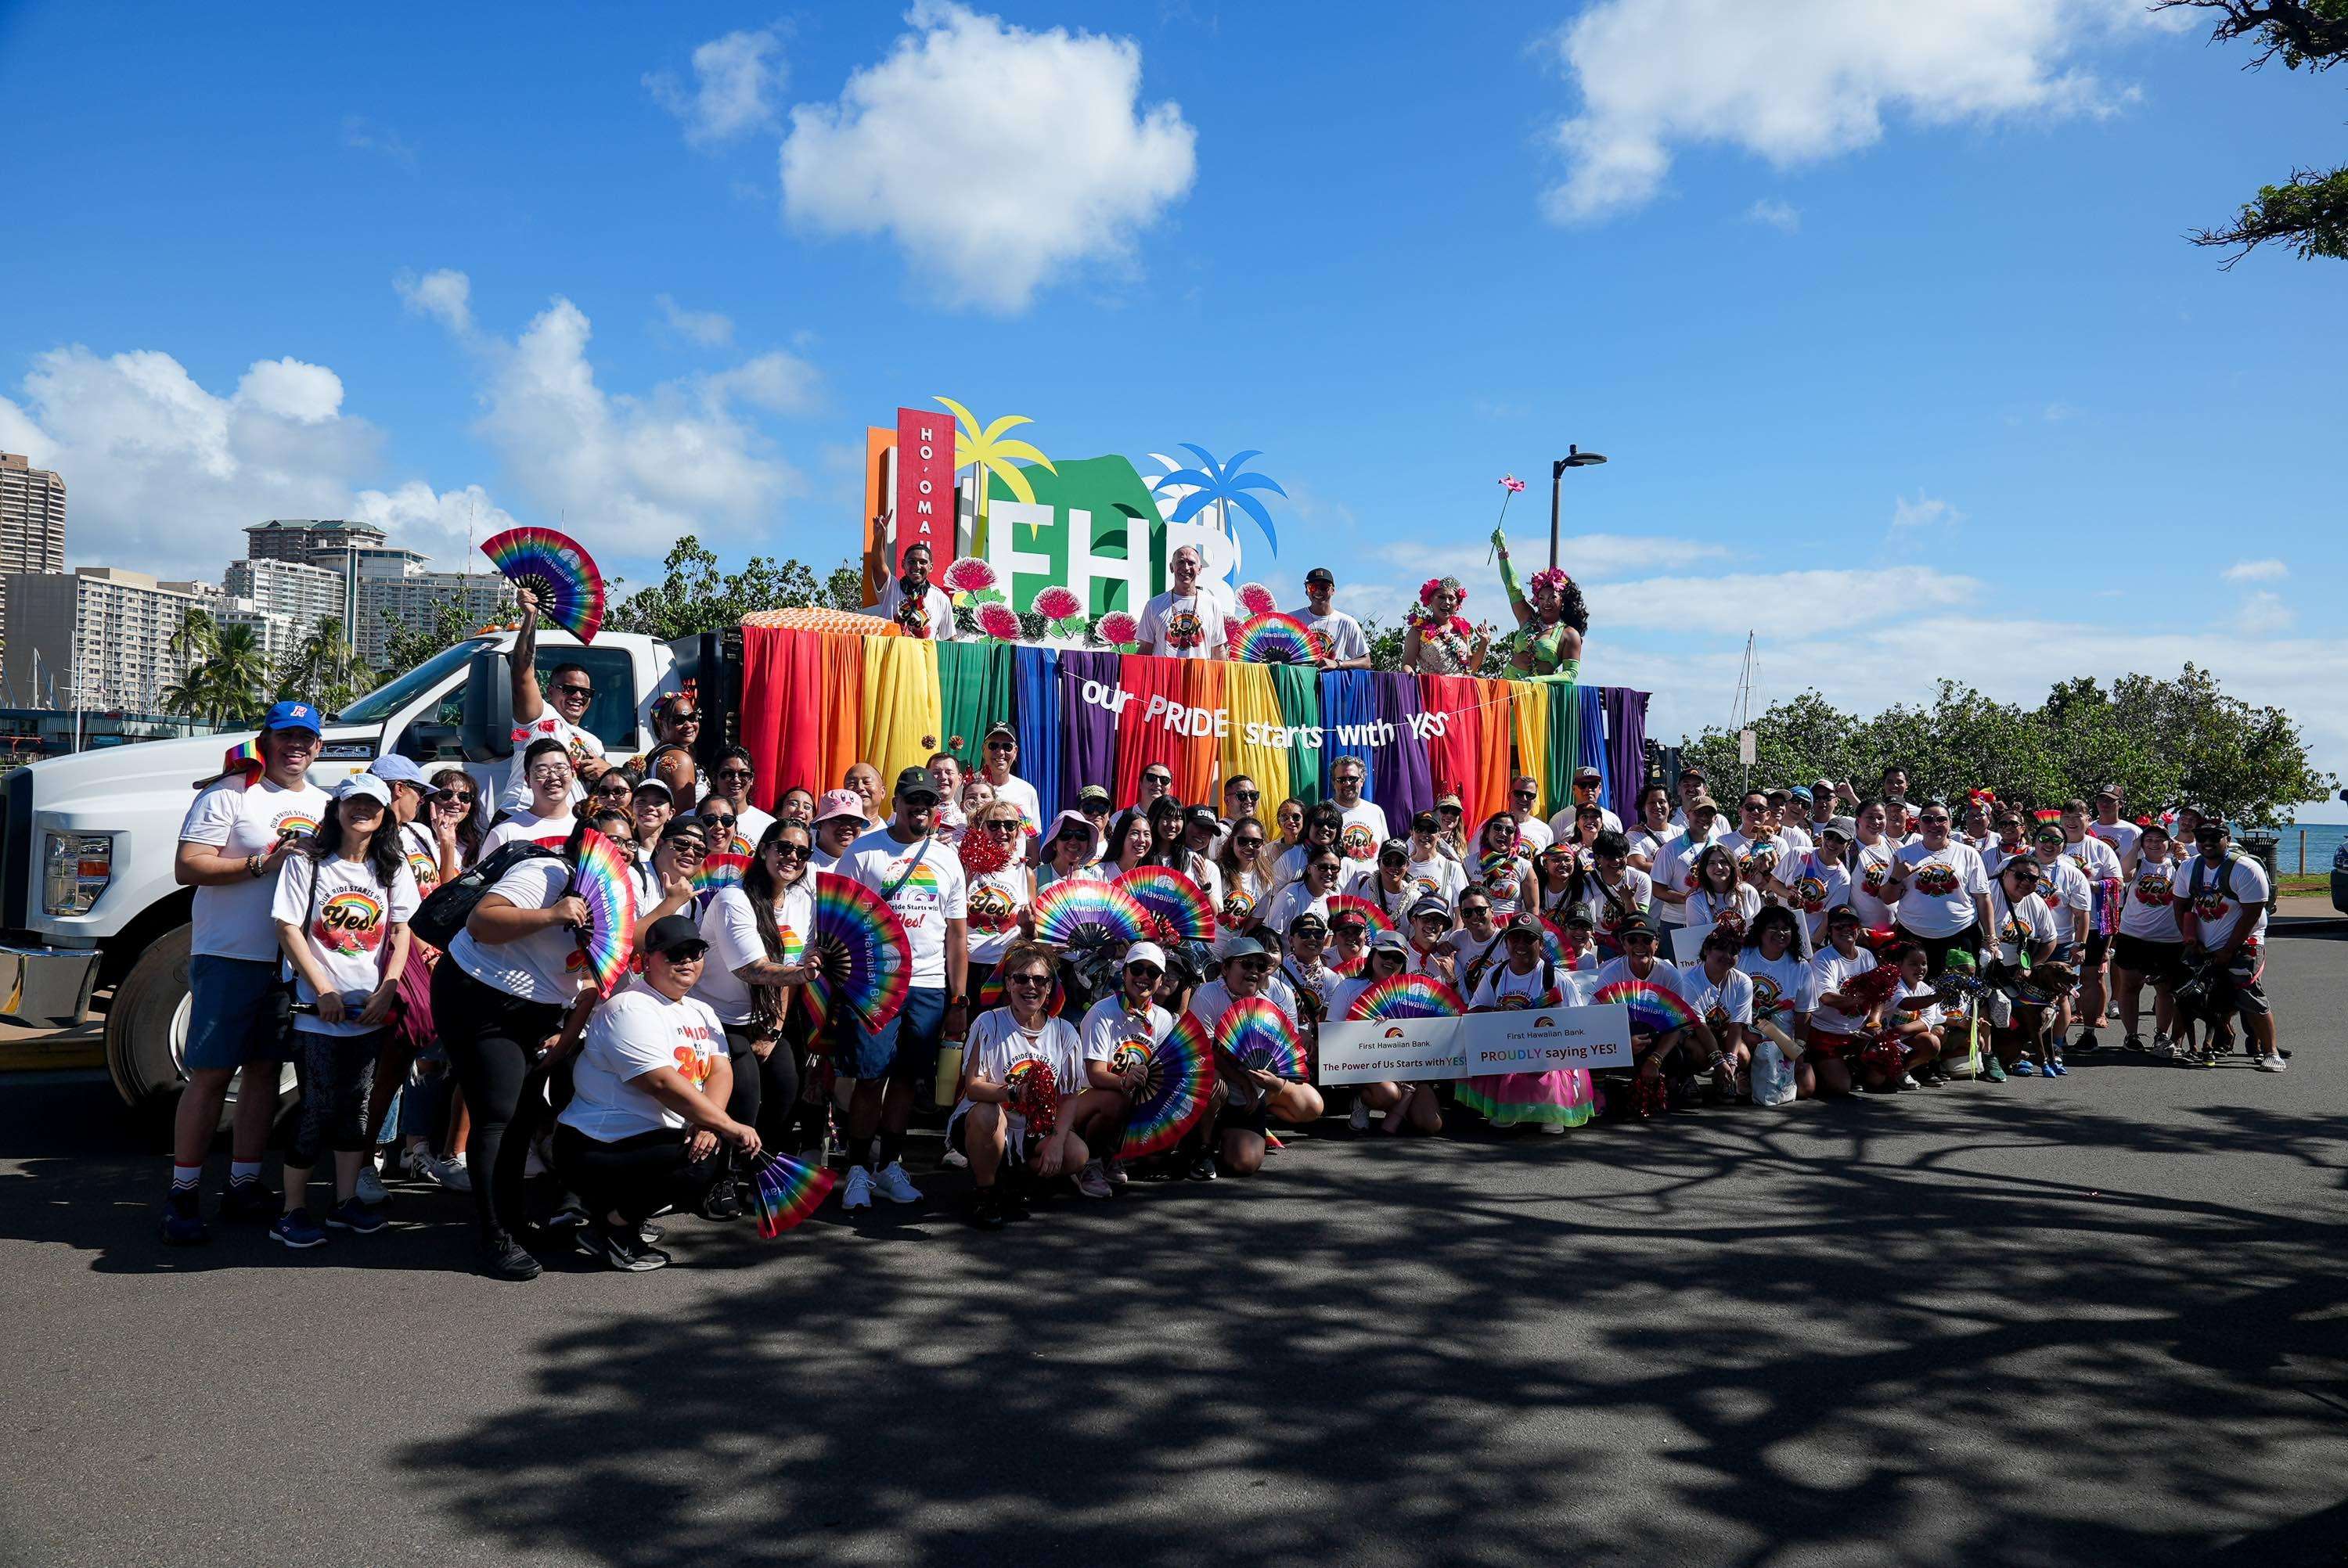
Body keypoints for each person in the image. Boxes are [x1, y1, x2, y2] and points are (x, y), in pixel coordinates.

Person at [160, 701, 333, 1245]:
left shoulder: (325, 804)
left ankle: (243, 1184)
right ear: (266, 740)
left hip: (289, 962)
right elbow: (188, 865)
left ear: (318, 747)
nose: (295, 746)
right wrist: (262, 863)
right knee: (211, 1075)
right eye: (285, 736)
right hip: (229, 955)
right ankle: (183, 1193)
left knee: (264, 1072)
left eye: (305, 738)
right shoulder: (230, 793)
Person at [434, 807, 600, 1279]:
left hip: (535, 1007)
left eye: (627, 843)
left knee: (524, 1114)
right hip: (479, 993)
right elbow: (482, 922)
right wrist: (552, 915)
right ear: (586, 847)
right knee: (497, 1114)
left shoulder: (610, 891)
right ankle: (493, 1237)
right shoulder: (546, 871)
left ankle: (512, 1221)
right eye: (610, 842)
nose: (621, 851)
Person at [264, 773, 419, 1247]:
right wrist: (324, 989)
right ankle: (290, 1211)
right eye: (353, 803)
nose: (362, 811)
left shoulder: (391, 866)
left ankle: (344, 1202)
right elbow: (287, 928)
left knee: (357, 1108)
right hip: (317, 1012)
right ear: (336, 810)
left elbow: (401, 931)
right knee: (316, 1108)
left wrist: (388, 988)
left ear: (385, 814)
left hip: (367, 1010)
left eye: (372, 804)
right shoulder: (308, 861)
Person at [553, 915, 758, 1271]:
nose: (687, 961)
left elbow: (720, 1070)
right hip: (597, 1144)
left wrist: (709, 1123)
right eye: (675, 953)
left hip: (648, 1138)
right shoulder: (629, 1007)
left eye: (695, 952)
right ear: (647, 960)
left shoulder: (702, 1011)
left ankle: (618, 1214)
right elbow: (659, 1082)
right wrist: (725, 1125)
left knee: (705, 1146)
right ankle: (610, 1229)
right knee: (699, 1161)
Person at [836, 768, 970, 1208]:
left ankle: (891, 1165)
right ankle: (858, 1169)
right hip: (876, 983)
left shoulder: (947, 858)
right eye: (913, 800)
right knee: (870, 1077)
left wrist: (958, 998)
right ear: (896, 803)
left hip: (929, 985)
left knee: (908, 1079)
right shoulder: (863, 851)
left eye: (929, 801)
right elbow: (842, 923)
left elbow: (956, 936)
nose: (921, 808)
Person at [697, 818, 819, 1162]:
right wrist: (802, 974)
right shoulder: (733, 899)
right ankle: (723, 1174)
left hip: (764, 1017)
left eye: (802, 852)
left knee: (786, 1085)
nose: (793, 857)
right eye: (784, 848)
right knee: (746, 1091)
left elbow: (786, 972)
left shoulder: (802, 902)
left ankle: (761, 1170)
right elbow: (751, 969)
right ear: (764, 850)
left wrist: (774, 1030)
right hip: (717, 1017)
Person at [951, 939, 1089, 1226]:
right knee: (987, 1112)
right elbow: (973, 1086)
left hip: (1036, 1127)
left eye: (1040, 980)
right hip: (991, 1122)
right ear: (1009, 984)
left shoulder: (1064, 1032)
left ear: (1049, 987)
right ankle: (986, 1191)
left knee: (1077, 1155)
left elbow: (1069, 1096)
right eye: (1022, 979)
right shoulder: (989, 1023)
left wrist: (1057, 1142)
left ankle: (1017, 1177)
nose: (1031, 986)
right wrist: (1014, 1092)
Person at [1457, 912, 1594, 1132]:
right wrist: (1498, 1011)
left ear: (1541, 944)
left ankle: (1552, 1110)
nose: (1521, 944)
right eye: (1515, 938)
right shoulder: (1494, 974)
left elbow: (1578, 1028)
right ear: (1506, 943)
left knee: (1547, 1075)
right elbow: (1474, 1014)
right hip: (1506, 1054)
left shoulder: (1557, 978)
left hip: (1548, 1057)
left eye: (1529, 939)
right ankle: (1509, 1108)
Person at [1070, 942, 1176, 1199]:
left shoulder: (1163, 1018)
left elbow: (1163, 1070)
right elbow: (1095, 1074)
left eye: (1152, 972)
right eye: (1137, 969)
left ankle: (1113, 1152)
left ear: (1161, 979)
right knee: (1117, 1099)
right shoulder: (1102, 1013)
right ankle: (1090, 1163)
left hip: (1130, 1095)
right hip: (1087, 1097)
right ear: (1125, 972)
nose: (1144, 977)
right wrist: (1125, 1081)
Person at [2177, 818, 2279, 1073]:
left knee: (2247, 991)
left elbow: (2251, 914)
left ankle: (2271, 1052)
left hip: (2244, 940)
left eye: (2214, 837)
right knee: (2186, 990)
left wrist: (2229, 949)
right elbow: (2180, 905)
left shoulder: (2245, 869)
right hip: (2204, 942)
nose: (2207, 842)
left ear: (2227, 839)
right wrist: (2190, 938)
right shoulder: (2189, 867)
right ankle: (2176, 1044)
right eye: (2202, 837)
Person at [1590, 918, 1712, 1118]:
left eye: (1646, 940)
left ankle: (1680, 1078)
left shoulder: (1670, 974)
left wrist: (1655, 1059)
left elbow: (1677, 1023)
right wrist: (1623, 1043)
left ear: (1657, 943)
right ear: (1623, 944)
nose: (1639, 946)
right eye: (1632, 940)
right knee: (1595, 1042)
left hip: (1658, 1039)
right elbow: (1596, 1019)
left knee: (1687, 1047)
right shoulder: (1611, 973)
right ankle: (1598, 1088)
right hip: (1623, 1035)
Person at [499, 585, 607, 811]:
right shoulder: (538, 717)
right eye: (569, 689)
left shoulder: (594, 743)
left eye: (585, 692)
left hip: (568, 823)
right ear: (550, 692)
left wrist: (607, 772)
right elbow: (522, 671)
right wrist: (531, 617)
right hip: (523, 817)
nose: (578, 696)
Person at [1334, 933, 1442, 1137]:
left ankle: (1402, 1105)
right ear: (1373, 954)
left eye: (1398, 958)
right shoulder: (1349, 987)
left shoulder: (1414, 994)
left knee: (1431, 1124)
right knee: (1388, 1094)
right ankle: (1363, 1099)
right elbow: (1332, 1032)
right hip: (1362, 1064)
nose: (1391, 961)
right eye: (1385, 955)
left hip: (1407, 1069)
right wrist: (1368, 1028)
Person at [1883, 800, 1993, 974]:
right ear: (1919, 823)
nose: (1934, 825)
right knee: (1916, 987)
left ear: (1950, 823)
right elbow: (1887, 898)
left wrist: (1990, 938)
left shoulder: (1968, 853)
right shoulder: (1903, 854)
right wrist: (1896, 878)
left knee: (1960, 987)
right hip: (1914, 937)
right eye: (1927, 819)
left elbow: (1983, 898)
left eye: (1941, 819)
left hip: (1960, 935)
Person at [2114, 822, 2188, 1058]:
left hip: (2168, 939)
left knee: (2165, 989)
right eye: (2149, 840)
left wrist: (2182, 856)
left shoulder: (2177, 865)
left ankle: (2162, 1034)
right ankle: (2131, 1035)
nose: (2154, 844)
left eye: (2160, 840)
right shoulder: (2137, 863)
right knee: (2130, 986)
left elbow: (2193, 884)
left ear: (2169, 843)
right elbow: (2123, 875)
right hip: (2133, 935)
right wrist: (2136, 846)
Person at [1983, 856, 2062, 1079]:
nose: (2026, 881)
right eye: (2020, 875)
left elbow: (2050, 939)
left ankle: (2014, 1056)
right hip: (1985, 968)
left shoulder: (2036, 902)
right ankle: (1989, 1056)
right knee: (1988, 1012)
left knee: (2015, 1021)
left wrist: (2032, 967)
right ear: (2005, 873)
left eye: (2033, 879)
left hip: (2015, 973)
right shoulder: (1989, 893)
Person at [2057, 799, 2125, 1052]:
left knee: (2090, 978)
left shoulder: (2100, 848)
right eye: (2066, 817)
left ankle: (2088, 1033)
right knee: (2056, 978)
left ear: (2088, 820)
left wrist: (2090, 885)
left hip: (2094, 925)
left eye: (2077, 817)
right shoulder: (2052, 845)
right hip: (2057, 925)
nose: (2071, 822)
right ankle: (2057, 1034)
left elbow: (2118, 883)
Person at [1734, 907, 1815, 1103]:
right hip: (1746, 1032)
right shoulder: (1743, 956)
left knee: (1806, 1088)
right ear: (1760, 931)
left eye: (1786, 928)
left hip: (1781, 1039)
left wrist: (1799, 1047)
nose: (1781, 933)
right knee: (1751, 1043)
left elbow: (1804, 1013)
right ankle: (1742, 1072)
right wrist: (1742, 1032)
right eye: (1773, 927)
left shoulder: (1800, 965)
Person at [960, 800, 1038, 1002]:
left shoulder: (1026, 873)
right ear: (981, 829)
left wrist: (1028, 926)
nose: (1002, 831)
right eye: (994, 825)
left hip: (1007, 969)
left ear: (1017, 831)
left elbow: (1032, 935)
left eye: (1010, 825)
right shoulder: (965, 869)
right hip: (968, 967)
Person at [1490, 530, 1586, 677]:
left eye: (1552, 597)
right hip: (1506, 686)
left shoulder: (1569, 634)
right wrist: (1502, 549)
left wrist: (1535, 682)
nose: (1546, 602)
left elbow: (1570, 675)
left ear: (1563, 600)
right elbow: (1512, 587)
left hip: (1536, 690)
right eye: (1541, 598)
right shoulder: (1528, 619)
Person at [1678, 927, 1758, 1104]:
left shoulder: (1743, 982)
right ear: (1707, 950)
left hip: (1723, 1034)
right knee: (1700, 1054)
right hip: (1692, 1034)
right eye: (1721, 949)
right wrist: (1719, 1062)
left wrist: (1731, 1062)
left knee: (1742, 1055)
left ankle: (1726, 1078)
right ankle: (1686, 1077)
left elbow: (1736, 1025)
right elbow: (1699, 1026)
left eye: (1734, 952)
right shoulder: (1688, 981)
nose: (1727, 956)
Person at [1803, 908, 1877, 1097]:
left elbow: (1880, 995)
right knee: (1841, 1087)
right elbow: (1827, 998)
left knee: (1879, 1076)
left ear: (1858, 928)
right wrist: (1858, 999)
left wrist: (1874, 1022)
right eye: (1839, 926)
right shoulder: (1822, 958)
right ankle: (1817, 1065)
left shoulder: (1867, 956)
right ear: (1830, 931)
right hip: (1826, 1033)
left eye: (1851, 925)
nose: (1846, 930)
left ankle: (1851, 1066)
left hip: (1858, 1034)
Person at [1869, 943, 1948, 1090]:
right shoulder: (1892, 984)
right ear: (1899, 965)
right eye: (1914, 964)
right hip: (1879, 1041)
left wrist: (1896, 1032)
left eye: (1924, 963)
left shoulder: (1927, 991)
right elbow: (1905, 1003)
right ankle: (1865, 1071)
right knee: (1876, 1082)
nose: (1920, 968)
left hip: (1902, 1040)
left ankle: (1901, 1071)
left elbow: (1926, 1023)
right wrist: (1935, 998)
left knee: (1932, 1041)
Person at [1769, 815, 1856, 947]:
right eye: (1829, 836)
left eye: (1840, 840)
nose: (1832, 842)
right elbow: (1774, 883)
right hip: (1777, 928)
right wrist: (1788, 894)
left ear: (1848, 844)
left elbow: (1828, 919)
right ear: (1822, 835)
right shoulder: (1798, 854)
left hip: (1805, 937)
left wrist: (1813, 946)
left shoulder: (1843, 878)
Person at [483, 738, 577, 852]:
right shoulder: (504, 833)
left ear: (572, 773)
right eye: (542, 770)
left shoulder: (587, 826)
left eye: (560, 768)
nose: (553, 777)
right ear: (527, 780)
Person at [1136, 544, 1227, 658]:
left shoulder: (1212, 605)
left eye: (1191, 563)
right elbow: (1145, 650)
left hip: (1200, 671)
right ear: (1171, 567)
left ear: (1199, 569)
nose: (1186, 567)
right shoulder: (1154, 605)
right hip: (1165, 671)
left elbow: (1218, 650)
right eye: (1181, 562)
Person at [1401, 574, 1486, 675]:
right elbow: (1407, 664)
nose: (1447, 602)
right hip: (1432, 685)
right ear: (1431, 600)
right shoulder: (1417, 631)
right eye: (1441, 597)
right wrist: (1411, 675)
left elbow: (1470, 668)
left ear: (1457, 604)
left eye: (1451, 598)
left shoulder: (1462, 631)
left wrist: (1484, 643)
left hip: (1461, 685)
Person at [1212, 813, 1276, 946]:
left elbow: (1253, 924)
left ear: (1262, 844)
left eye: (1256, 842)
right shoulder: (1216, 871)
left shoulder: (1265, 882)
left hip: (1232, 952)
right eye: (1243, 841)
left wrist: (1238, 950)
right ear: (1232, 842)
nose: (1249, 846)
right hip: (1204, 948)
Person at [1294, 566, 1371, 671]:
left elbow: (1366, 662)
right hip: (1300, 679)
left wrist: (1337, 664)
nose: (1318, 591)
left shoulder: (1347, 623)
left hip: (1332, 680)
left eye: (1324, 587)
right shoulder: (1293, 620)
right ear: (1306, 591)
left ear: (1333, 591)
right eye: (1312, 587)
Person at [875, 541, 956, 641]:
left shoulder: (942, 599)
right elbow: (878, 566)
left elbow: (950, 640)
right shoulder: (891, 587)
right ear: (903, 564)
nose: (917, 566)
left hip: (924, 651)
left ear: (930, 567)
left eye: (923, 562)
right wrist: (878, 538)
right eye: (912, 561)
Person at [975, 724, 1042, 843]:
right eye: (993, 746)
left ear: (1015, 752)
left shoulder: (1027, 791)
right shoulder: (969, 788)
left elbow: (1032, 841)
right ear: (984, 750)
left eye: (1007, 747)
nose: (1001, 752)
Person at [1683, 844, 1759, 943]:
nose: (1719, 867)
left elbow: (1758, 930)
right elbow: (1697, 941)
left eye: (1723, 862)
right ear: (1704, 868)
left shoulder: (1748, 891)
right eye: (1712, 863)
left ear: (1732, 866)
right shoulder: (1695, 900)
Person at [1262, 846, 1343, 937]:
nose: (1329, 872)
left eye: (1334, 868)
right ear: (1309, 869)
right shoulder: (1290, 896)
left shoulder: (1334, 899)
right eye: (1322, 867)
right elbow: (1269, 936)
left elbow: (1329, 938)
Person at [706, 746, 775, 852]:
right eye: (728, 774)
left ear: (752, 779)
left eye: (744, 774)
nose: (736, 780)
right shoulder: (693, 817)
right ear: (714, 778)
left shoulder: (768, 825)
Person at [1343, 837, 1421, 928]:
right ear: (1379, 863)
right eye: (1387, 861)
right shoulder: (1363, 886)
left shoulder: (1414, 898)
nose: (1393, 867)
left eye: (1399, 862)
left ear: (1407, 865)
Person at [1471, 811, 1535, 919]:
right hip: (1477, 925)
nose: (1503, 833)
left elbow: (1533, 907)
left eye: (1509, 830)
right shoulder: (1470, 862)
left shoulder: (1524, 866)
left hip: (1510, 927)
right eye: (1497, 827)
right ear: (1487, 833)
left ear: (1515, 837)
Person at [1326, 756, 1389, 864]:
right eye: (1341, 780)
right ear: (1333, 782)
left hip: (1372, 875)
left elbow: (1386, 851)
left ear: (1362, 781)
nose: (1347, 783)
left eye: (1353, 779)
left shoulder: (1376, 812)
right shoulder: (1324, 812)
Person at [1403, 810, 1469, 906]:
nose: (1425, 834)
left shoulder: (1453, 868)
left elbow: (1462, 910)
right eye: (1419, 829)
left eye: (1431, 829)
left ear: (1439, 836)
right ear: (1412, 834)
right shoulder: (1402, 867)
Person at [1547, 765, 1622, 839]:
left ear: (1600, 788)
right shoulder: (1559, 820)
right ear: (1573, 789)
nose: (1588, 789)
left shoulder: (1613, 820)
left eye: (1593, 784)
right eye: (1582, 785)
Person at [1036, 811, 1105, 888]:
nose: (1073, 842)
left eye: (1081, 835)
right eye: (1066, 834)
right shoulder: (1036, 877)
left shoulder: (1093, 883)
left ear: (1088, 844)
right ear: (1054, 843)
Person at [809, 789, 867, 872]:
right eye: (838, 819)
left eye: (854, 820)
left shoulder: (865, 862)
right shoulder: (803, 863)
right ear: (820, 824)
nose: (846, 826)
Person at [1625, 782, 1676, 874]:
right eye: (1652, 802)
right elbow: (1640, 866)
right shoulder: (1633, 836)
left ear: (1670, 806)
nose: (1657, 806)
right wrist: (1677, 866)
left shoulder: (1682, 833)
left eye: (1662, 802)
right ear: (1643, 807)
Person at [2087, 786, 2141, 862]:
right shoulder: (2086, 829)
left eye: (2110, 800)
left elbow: (2141, 861)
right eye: (2101, 799)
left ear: (2121, 804)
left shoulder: (2134, 832)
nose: (2104, 803)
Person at [1504, 775, 1554, 854]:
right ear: (1509, 796)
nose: (1524, 798)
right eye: (1519, 793)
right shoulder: (1493, 826)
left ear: (1535, 800)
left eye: (1530, 795)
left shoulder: (1545, 831)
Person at [842, 762, 885, 826]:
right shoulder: (832, 831)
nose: (860, 787)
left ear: (882, 792)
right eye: (852, 783)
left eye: (866, 782)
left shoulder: (895, 832)